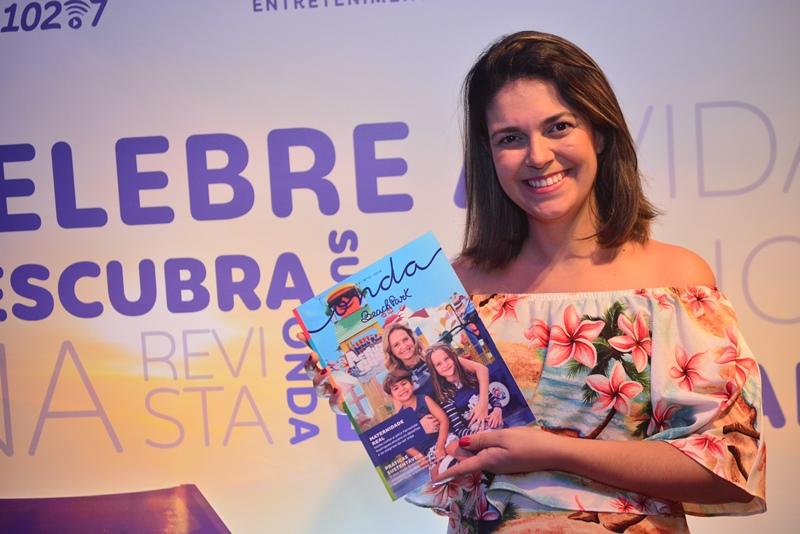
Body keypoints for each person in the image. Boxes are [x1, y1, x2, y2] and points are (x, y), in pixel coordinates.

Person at [308, 30, 765, 533]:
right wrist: (362, 396)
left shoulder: (674, 280)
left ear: (600, 133)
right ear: (488, 154)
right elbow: (444, 477)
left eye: (559, 127)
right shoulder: (454, 292)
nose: (538, 155)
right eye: (510, 138)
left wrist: (552, 451)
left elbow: (727, 465)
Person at [383, 321, 493, 428]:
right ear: (391, 351)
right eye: (396, 345)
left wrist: (483, 403)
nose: (403, 346)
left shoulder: (432, 357)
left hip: (466, 415)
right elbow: (403, 420)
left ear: (412, 338)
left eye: (405, 339)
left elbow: (481, 369)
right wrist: (419, 425)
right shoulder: (398, 380)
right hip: (441, 430)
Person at [423, 343, 503, 441]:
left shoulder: (471, 378)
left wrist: (497, 410)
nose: (445, 365)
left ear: (454, 357)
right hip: (479, 437)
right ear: (434, 370)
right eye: (438, 364)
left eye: (446, 359)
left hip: (497, 424)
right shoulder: (445, 397)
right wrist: (478, 435)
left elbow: (491, 397)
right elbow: (459, 430)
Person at [383, 370, 450, 470]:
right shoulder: (400, 418)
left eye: (404, 384)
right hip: (428, 452)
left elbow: (444, 420)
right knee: (436, 474)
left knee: (454, 449)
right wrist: (418, 456)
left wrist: (440, 447)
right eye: (396, 388)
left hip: (444, 440)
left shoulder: (424, 399)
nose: (402, 389)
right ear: (392, 396)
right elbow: (406, 444)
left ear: (412, 384)